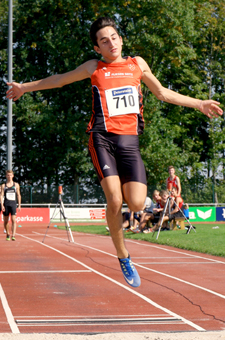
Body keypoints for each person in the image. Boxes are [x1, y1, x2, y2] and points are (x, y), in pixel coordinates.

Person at [5, 17, 223, 287]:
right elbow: (60, 80)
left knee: (135, 203)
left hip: (129, 143)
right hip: (102, 140)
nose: (111, 43)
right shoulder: (93, 67)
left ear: (121, 39)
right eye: (104, 41)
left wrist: (199, 103)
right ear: (97, 48)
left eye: (114, 37)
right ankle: (123, 255)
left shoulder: (137, 64)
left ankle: (122, 224)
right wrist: (24, 88)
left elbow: (163, 93)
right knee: (114, 199)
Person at [0, 170, 21, 241]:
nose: (9, 176)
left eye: (10, 175)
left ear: (13, 176)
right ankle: (8, 234)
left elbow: (18, 195)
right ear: (6, 176)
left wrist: (19, 205)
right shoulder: (3, 185)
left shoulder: (16, 185)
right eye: (8, 175)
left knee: (13, 220)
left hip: (13, 204)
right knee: (6, 221)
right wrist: (2, 205)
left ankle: (13, 235)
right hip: (6, 204)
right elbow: (1, 195)